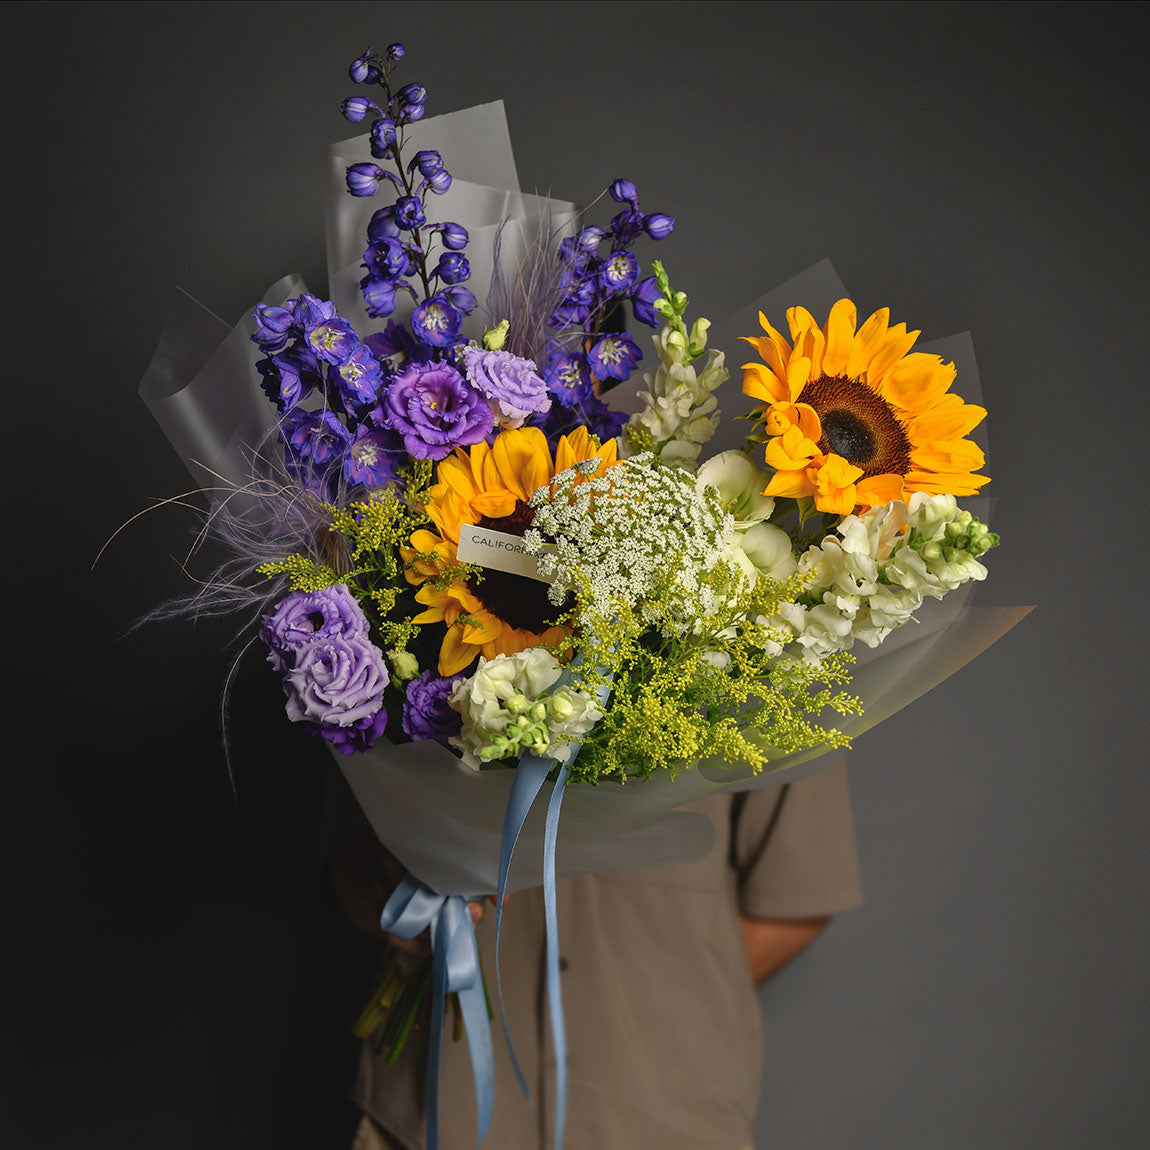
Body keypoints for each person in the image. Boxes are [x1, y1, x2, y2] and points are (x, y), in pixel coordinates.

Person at [327, 758, 862, 1150]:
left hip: (669, 1121)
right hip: (434, 1112)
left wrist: (667, 1008)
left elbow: (793, 904)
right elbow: (340, 861)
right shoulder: (403, 635)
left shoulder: (783, 657)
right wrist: (396, 898)